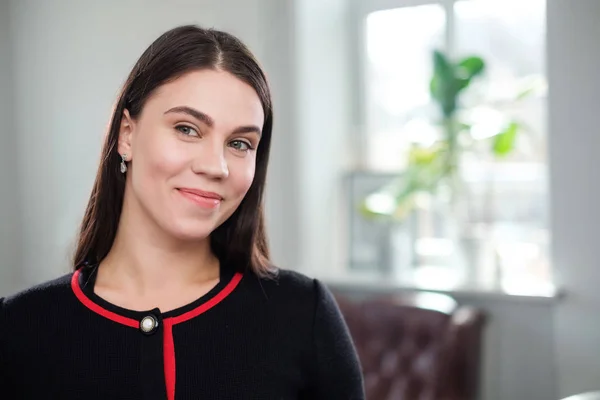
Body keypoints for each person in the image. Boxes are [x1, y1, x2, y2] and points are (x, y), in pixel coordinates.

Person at [0, 25, 364, 399]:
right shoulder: (17, 328)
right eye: (187, 129)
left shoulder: (304, 315)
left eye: (240, 143)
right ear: (127, 134)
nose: (216, 166)